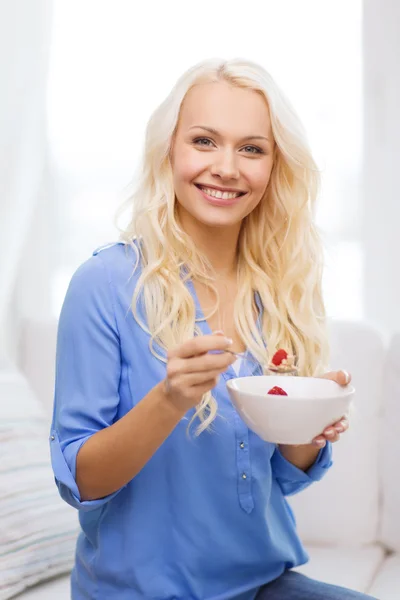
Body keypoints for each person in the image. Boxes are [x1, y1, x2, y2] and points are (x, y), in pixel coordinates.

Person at [50, 58, 376, 600]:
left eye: (252, 149)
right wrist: (171, 397)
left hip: (264, 584)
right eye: (205, 141)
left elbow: (285, 475)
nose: (227, 168)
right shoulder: (104, 283)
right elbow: (81, 481)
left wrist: (307, 424)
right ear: (169, 151)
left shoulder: (280, 288)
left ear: (275, 167)